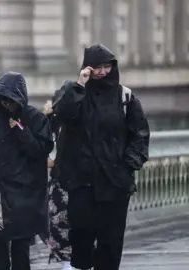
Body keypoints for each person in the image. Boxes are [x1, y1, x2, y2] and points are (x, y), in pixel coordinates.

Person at [51, 44, 150, 270]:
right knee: (81, 236)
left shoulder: (125, 97)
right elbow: (63, 114)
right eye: (98, 67)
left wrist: (128, 165)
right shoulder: (74, 92)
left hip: (115, 182)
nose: (103, 72)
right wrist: (80, 84)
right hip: (82, 181)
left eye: (107, 66)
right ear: (88, 67)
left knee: (111, 241)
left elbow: (140, 134)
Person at [0, 72, 54, 270]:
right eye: (3, 100)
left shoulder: (34, 118)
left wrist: (20, 131)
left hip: (24, 194)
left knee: (21, 247)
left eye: (10, 100)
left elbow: (41, 150)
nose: (7, 105)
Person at [42, 100, 73, 270]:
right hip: (60, 181)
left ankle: (69, 261)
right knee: (56, 222)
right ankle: (67, 261)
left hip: (73, 181)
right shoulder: (53, 123)